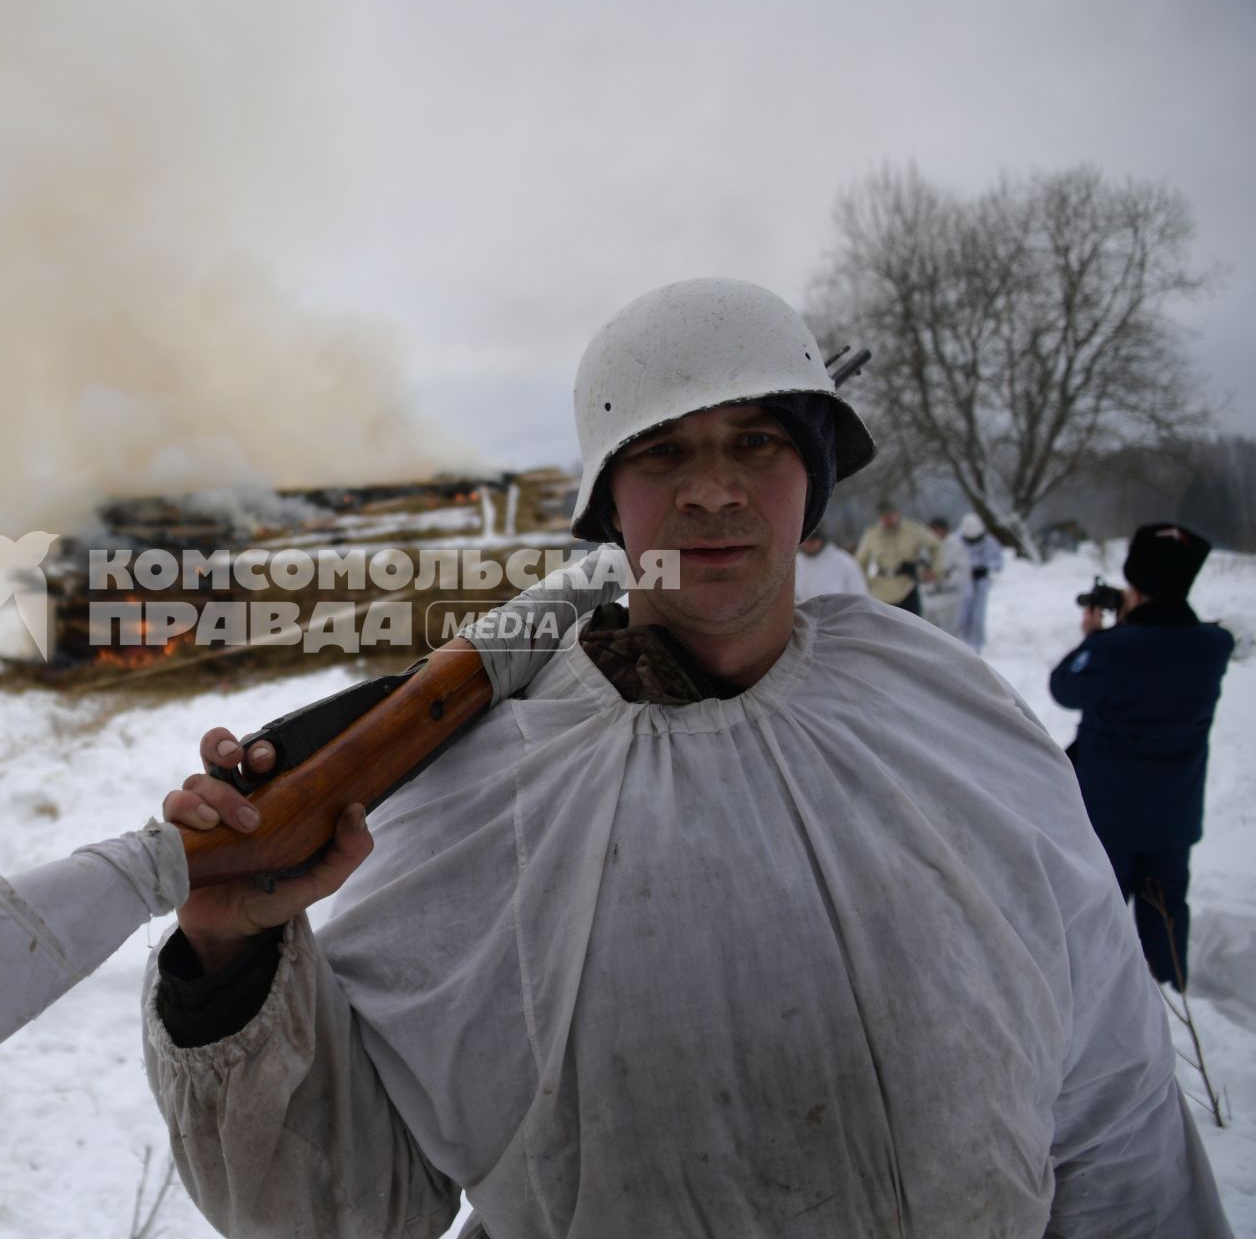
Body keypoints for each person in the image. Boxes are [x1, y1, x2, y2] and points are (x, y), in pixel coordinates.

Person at [144, 279, 1227, 1237]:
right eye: (664, 450)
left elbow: (1117, 1112)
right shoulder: (486, 790)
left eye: (757, 439)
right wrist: (229, 963)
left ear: (813, 475)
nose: (714, 491)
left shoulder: (950, 712)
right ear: (610, 500)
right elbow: (349, 1208)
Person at [1049, 524, 1233, 990]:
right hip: (1174, 817)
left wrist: (1094, 638)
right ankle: (1174, 1006)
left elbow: (1064, 686)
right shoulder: (1213, 647)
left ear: (1138, 585)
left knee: (1097, 924)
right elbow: (1176, 641)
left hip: (1110, 817)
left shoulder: (1115, 650)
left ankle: (1096, 1010)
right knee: (1167, 920)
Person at [854, 499, 940, 615]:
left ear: (897, 513)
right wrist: (864, 584)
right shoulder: (872, 534)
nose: (888, 520)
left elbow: (936, 546)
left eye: (891, 515)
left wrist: (935, 570)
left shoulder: (912, 530)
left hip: (907, 588)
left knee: (913, 627)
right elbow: (860, 561)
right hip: (881, 590)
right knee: (884, 629)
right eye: (885, 517)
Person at [955, 512, 1006, 652]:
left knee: (978, 614)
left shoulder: (988, 541)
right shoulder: (957, 540)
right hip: (963, 583)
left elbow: (999, 562)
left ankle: (976, 644)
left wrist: (985, 568)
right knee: (961, 613)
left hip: (980, 583)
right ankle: (958, 643)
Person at [920, 516, 966, 636]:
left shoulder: (956, 546)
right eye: (933, 529)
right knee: (928, 634)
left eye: (939, 529)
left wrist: (943, 578)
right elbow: (918, 566)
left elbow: (963, 572)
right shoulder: (924, 547)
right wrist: (924, 575)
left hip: (949, 597)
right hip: (929, 597)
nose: (936, 532)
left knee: (949, 636)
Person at [793, 529, 867, 602]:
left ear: (821, 539)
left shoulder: (844, 563)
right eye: (805, 541)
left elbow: (860, 599)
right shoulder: (794, 563)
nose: (807, 545)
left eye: (812, 541)